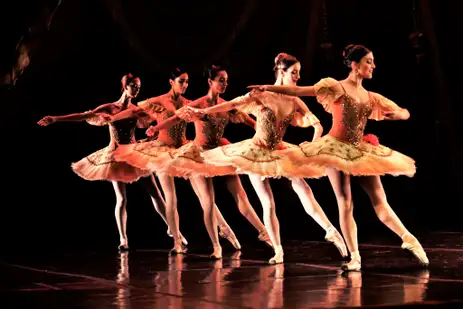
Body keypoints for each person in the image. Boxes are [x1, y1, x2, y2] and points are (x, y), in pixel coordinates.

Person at [247, 44, 429, 271]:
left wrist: (397, 115)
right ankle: (355, 257)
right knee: (345, 202)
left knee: (380, 201)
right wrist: (267, 88)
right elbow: (302, 91)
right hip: (335, 150)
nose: (373, 66)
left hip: (360, 150)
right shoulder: (335, 86)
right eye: (368, 61)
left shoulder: (371, 97)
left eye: (372, 61)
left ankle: (409, 239)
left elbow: (404, 111)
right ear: (355, 65)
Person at [179, 54, 347, 264]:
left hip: (280, 150)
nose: (298, 77)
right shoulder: (262, 95)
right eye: (294, 73)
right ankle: (278, 250)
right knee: (267, 203)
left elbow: (317, 124)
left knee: (303, 188)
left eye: (298, 73)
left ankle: (331, 230)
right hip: (256, 152)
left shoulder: (294, 99)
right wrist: (203, 110)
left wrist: (312, 144)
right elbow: (231, 104)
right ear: (282, 72)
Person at [107, 66, 272, 259]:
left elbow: (246, 119)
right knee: (180, 198)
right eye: (181, 81)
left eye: (187, 82)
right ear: (172, 82)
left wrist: (264, 134)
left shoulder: (203, 103)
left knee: (224, 196)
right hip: (175, 151)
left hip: (201, 149)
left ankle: (249, 230)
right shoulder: (173, 103)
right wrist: (127, 122)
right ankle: (183, 240)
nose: (185, 85)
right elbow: (140, 113)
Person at [37, 73, 187, 251]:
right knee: (121, 199)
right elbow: (84, 115)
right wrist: (56, 119)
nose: (137, 90)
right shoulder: (110, 108)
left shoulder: (137, 110)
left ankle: (175, 231)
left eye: (139, 87)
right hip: (116, 154)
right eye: (133, 86)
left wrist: (157, 131)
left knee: (155, 193)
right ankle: (123, 239)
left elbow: (157, 121)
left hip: (134, 152)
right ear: (125, 86)